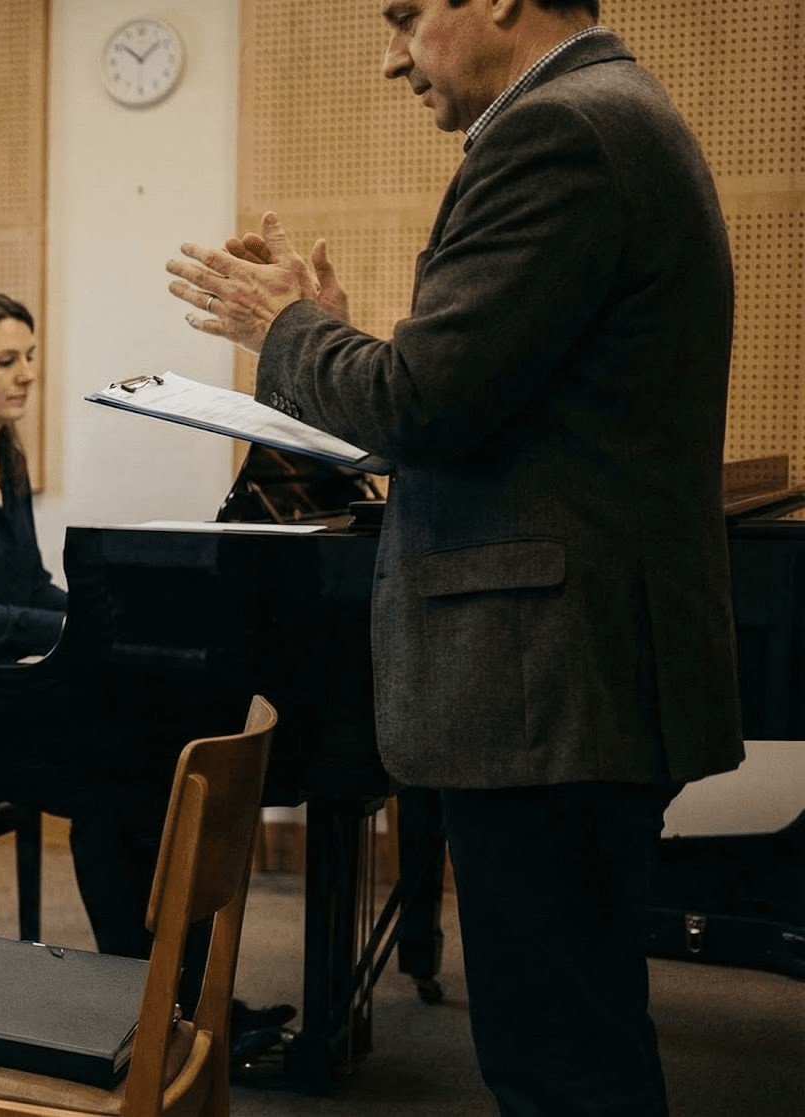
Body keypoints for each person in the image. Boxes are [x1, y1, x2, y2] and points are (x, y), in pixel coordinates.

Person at [164, 3, 742, 1114]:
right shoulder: (615, 113)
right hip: (575, 686)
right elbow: (481, 406)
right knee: (576, 1032)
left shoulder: (556, 132)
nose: (388, 58)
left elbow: (419, 405)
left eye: (403, 16)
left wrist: (284, 329)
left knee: (554, 1058)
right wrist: (331, 331)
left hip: (545, 692)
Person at [0, 290, 297, 1052]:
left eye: (30, 357)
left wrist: (110, 621)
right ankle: (146, 1012)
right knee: (104, 786)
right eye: (5, 360)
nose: (26, 374)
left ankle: (182, 1001)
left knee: (147, 767)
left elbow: (26, 585)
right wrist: (71, 629)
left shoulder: (5, 457)